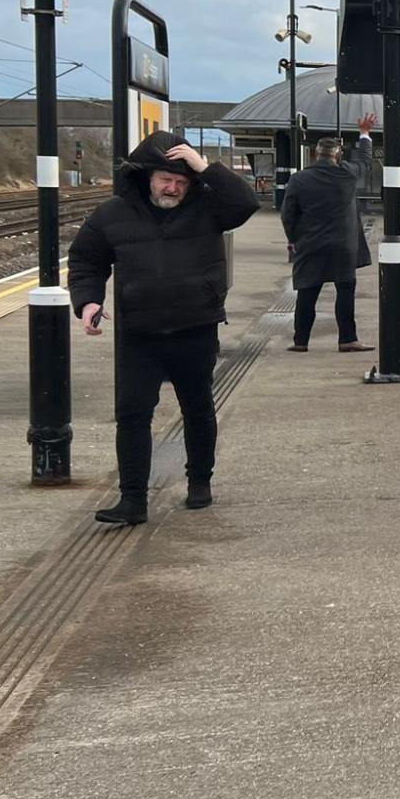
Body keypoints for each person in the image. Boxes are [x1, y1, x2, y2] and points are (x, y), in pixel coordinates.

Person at [66, 130, 259, 525]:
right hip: (138, 332)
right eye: (165, 180)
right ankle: (132, 500)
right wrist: (88, 301)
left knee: (198, 409)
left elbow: (246, 203)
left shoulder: (208, 207)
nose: (172, 188)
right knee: (133, 416)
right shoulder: (112, 214)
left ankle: (199, 482)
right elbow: (86, 260)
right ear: (147, 178)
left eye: (181, 181)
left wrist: (206, 168)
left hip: (195, 326)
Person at [282, 114, 378, 354]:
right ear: (337, 155)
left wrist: (293, 239)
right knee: (345, 291)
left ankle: (301, 341)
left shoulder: (299, 179)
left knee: (307, 293)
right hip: (343, 245)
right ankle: (347, 339)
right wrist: (364, 133)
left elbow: (287, 214)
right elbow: (365, 161)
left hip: (310, 244)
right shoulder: (346, 175)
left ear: (316, 154)